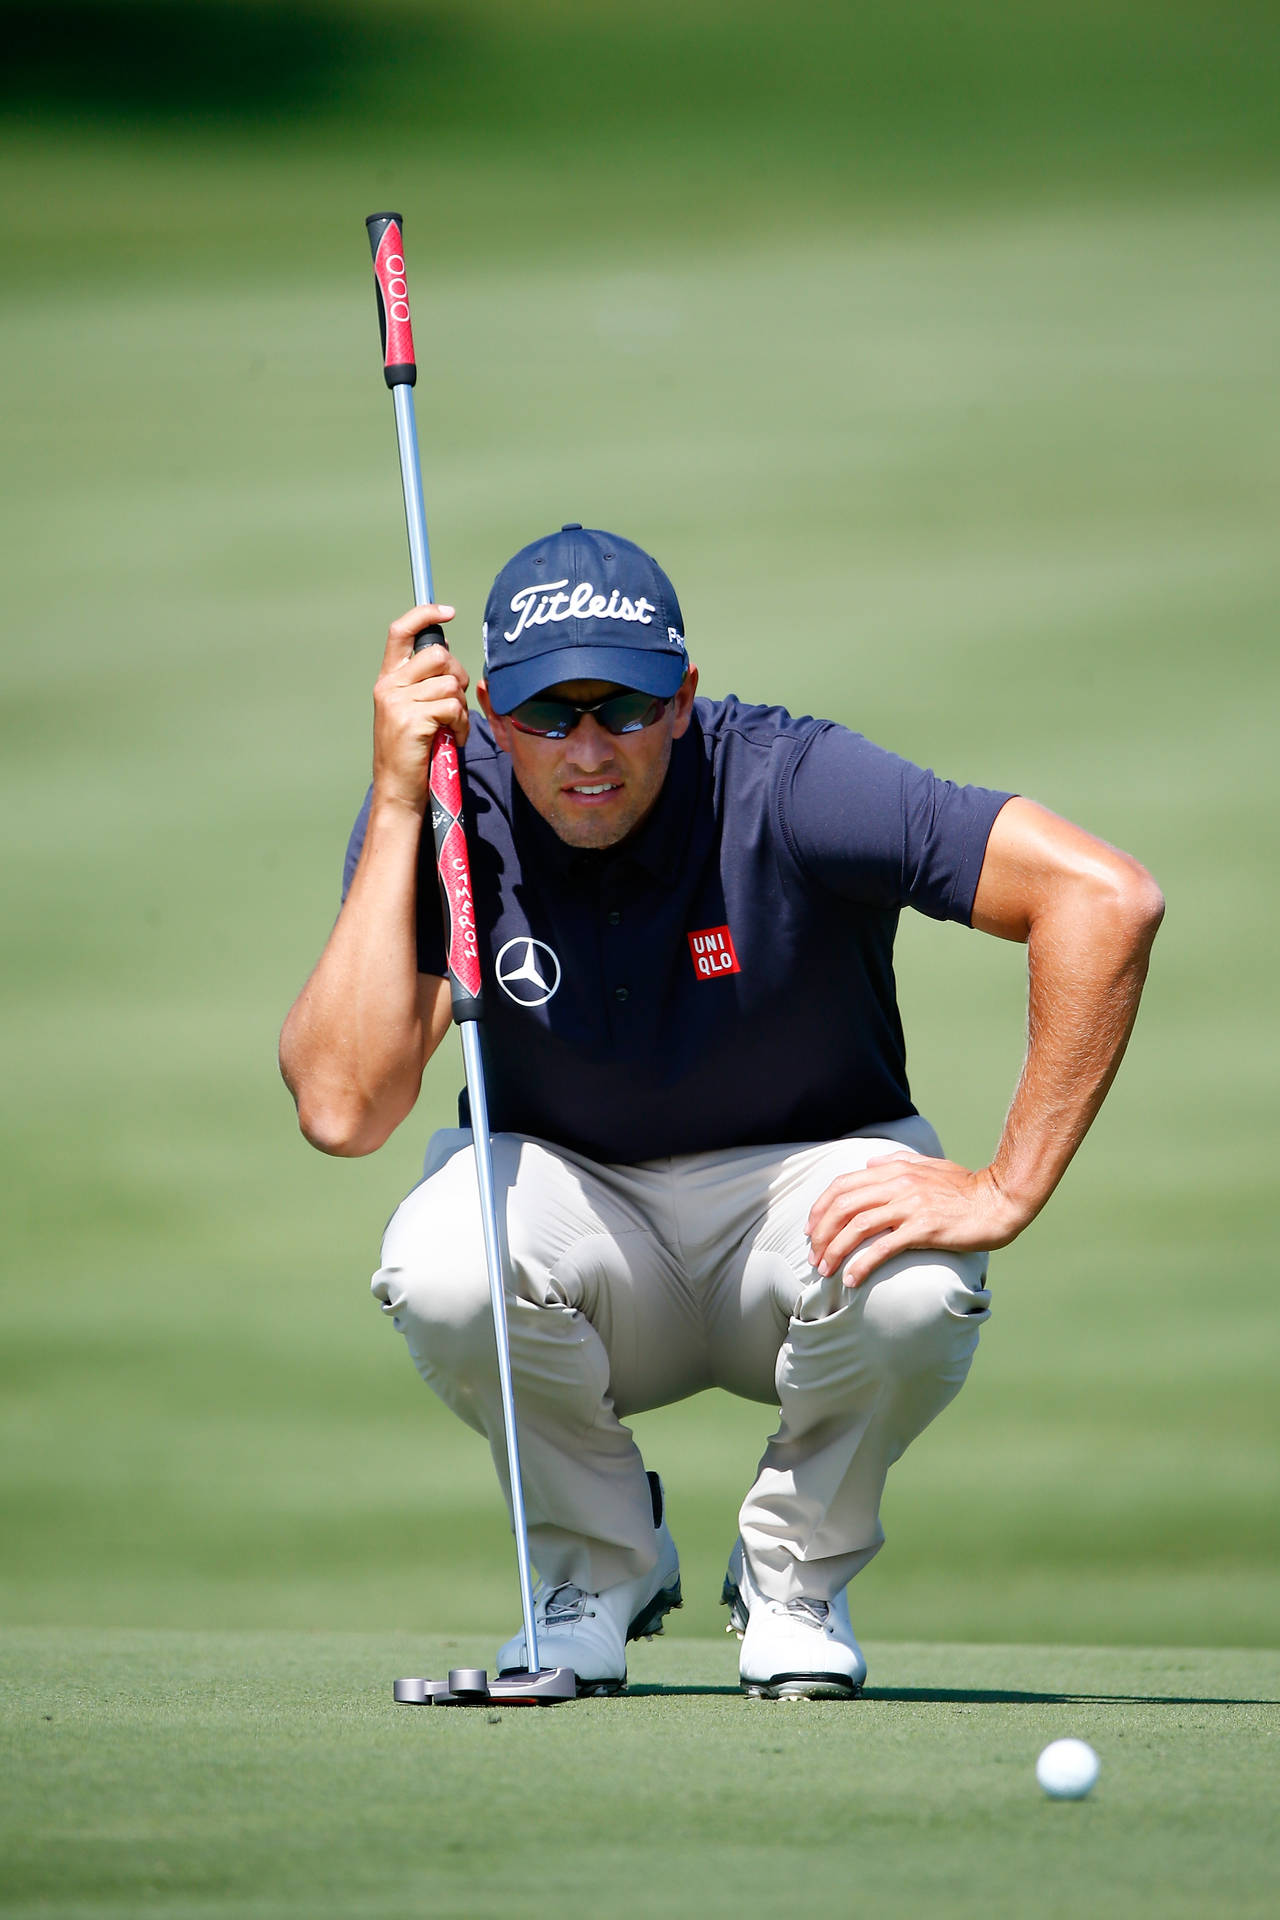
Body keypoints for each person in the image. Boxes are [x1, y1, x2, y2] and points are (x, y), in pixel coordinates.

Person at [279, 524, 1163, 1699]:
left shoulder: (787, 778)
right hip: (578, 1221)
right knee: (445, 1267)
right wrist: (398, 803)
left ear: (683, 699)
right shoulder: (451, 815)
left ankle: (793, 1581)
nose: (586, 750)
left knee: (914, 1281)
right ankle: (598, 1569)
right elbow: (344, 1108)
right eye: (548, 715)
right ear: (489, 712)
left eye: (623, 710)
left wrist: (1007, 1186)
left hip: (800, 1204)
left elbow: (1104, 897)